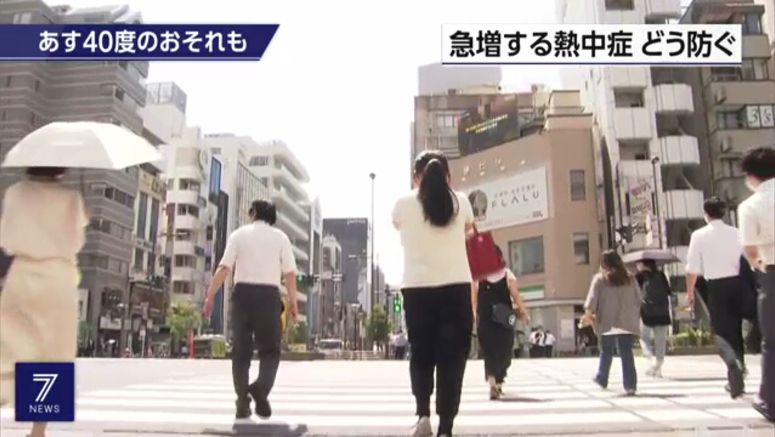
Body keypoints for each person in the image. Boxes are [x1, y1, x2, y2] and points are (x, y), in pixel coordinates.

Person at [0, 167, 89, 437]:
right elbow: (76, 242)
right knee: (52, 353)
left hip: (23, 275)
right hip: (58, 281)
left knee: (10, 346)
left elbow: (6, 239)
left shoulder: (14, 193)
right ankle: (38, 431)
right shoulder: (72, 197)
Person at [392, 150, 475, 437]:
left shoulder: (403, 204)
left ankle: (423, 415)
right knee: (452, 359)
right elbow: (470, 230)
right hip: (455, 288)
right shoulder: (461, 201)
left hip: (417, 290)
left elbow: (398, 225)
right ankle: (446, 428)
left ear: (417, 177)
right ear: (448, 176)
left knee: (422, 354)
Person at [203, 200, 298, 420]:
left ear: (254, 213)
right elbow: (290, 274)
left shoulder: (239, 234)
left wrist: (210, 296)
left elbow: (224, 267)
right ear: (272, 217)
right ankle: (261, 388)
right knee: (270, 351)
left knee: (241, 352)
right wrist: (293, 303)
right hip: (268, 297)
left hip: (242, 296)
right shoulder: (280, 238)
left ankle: (242, 402)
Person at [686, 197, 746, 399]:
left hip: (716, 287)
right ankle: (738, 372)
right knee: (735, 329)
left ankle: (733, 365)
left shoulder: (699, 235)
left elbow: (692, 268)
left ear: (706, 214)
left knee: (721, 333)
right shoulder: (737, 233)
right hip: (738, 284)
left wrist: (690, 293)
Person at [737, 147, 775, 422]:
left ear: (751, 176)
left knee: (771, 342)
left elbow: (750, 251)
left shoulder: (750, 205)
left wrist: (758, 266)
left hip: (772, 274)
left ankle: (769, 400)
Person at [471, 246, 529, 400]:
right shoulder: (503, 273)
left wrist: (475, 314)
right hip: (502, 316)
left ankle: (495, 382)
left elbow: (474, 297)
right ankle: (495, 383)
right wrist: (524, 312)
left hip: (490, 317)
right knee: (503, 348)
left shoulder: (494, 274)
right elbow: (515, 295)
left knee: (493, 350)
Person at [582, 250, 642, 396]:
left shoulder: (600, 279)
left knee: (606, 351)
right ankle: (630, 386)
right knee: (626, 353)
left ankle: (602, 378)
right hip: (626, 322)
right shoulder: (630, 279)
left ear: (604, 264)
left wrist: (588, 316)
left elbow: (591, 302)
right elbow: (638, 299)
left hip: (607, 321)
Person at [636, 259, 672, 378]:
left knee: (643, 338)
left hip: (647, 313)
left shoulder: (640, 276)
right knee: (660, 341)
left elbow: (635, 294)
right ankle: (659, 366)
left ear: (643, 265)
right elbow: (668, 292)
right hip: (663, 313)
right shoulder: (661, 275)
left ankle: (650, 359)